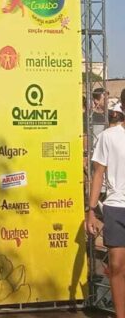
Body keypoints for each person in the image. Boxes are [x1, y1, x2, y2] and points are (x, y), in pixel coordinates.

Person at [88, 88, 125, 318]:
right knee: (118, 267)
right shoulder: (108, 137)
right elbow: (98, 174)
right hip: (115, 208)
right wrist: (91, 210)